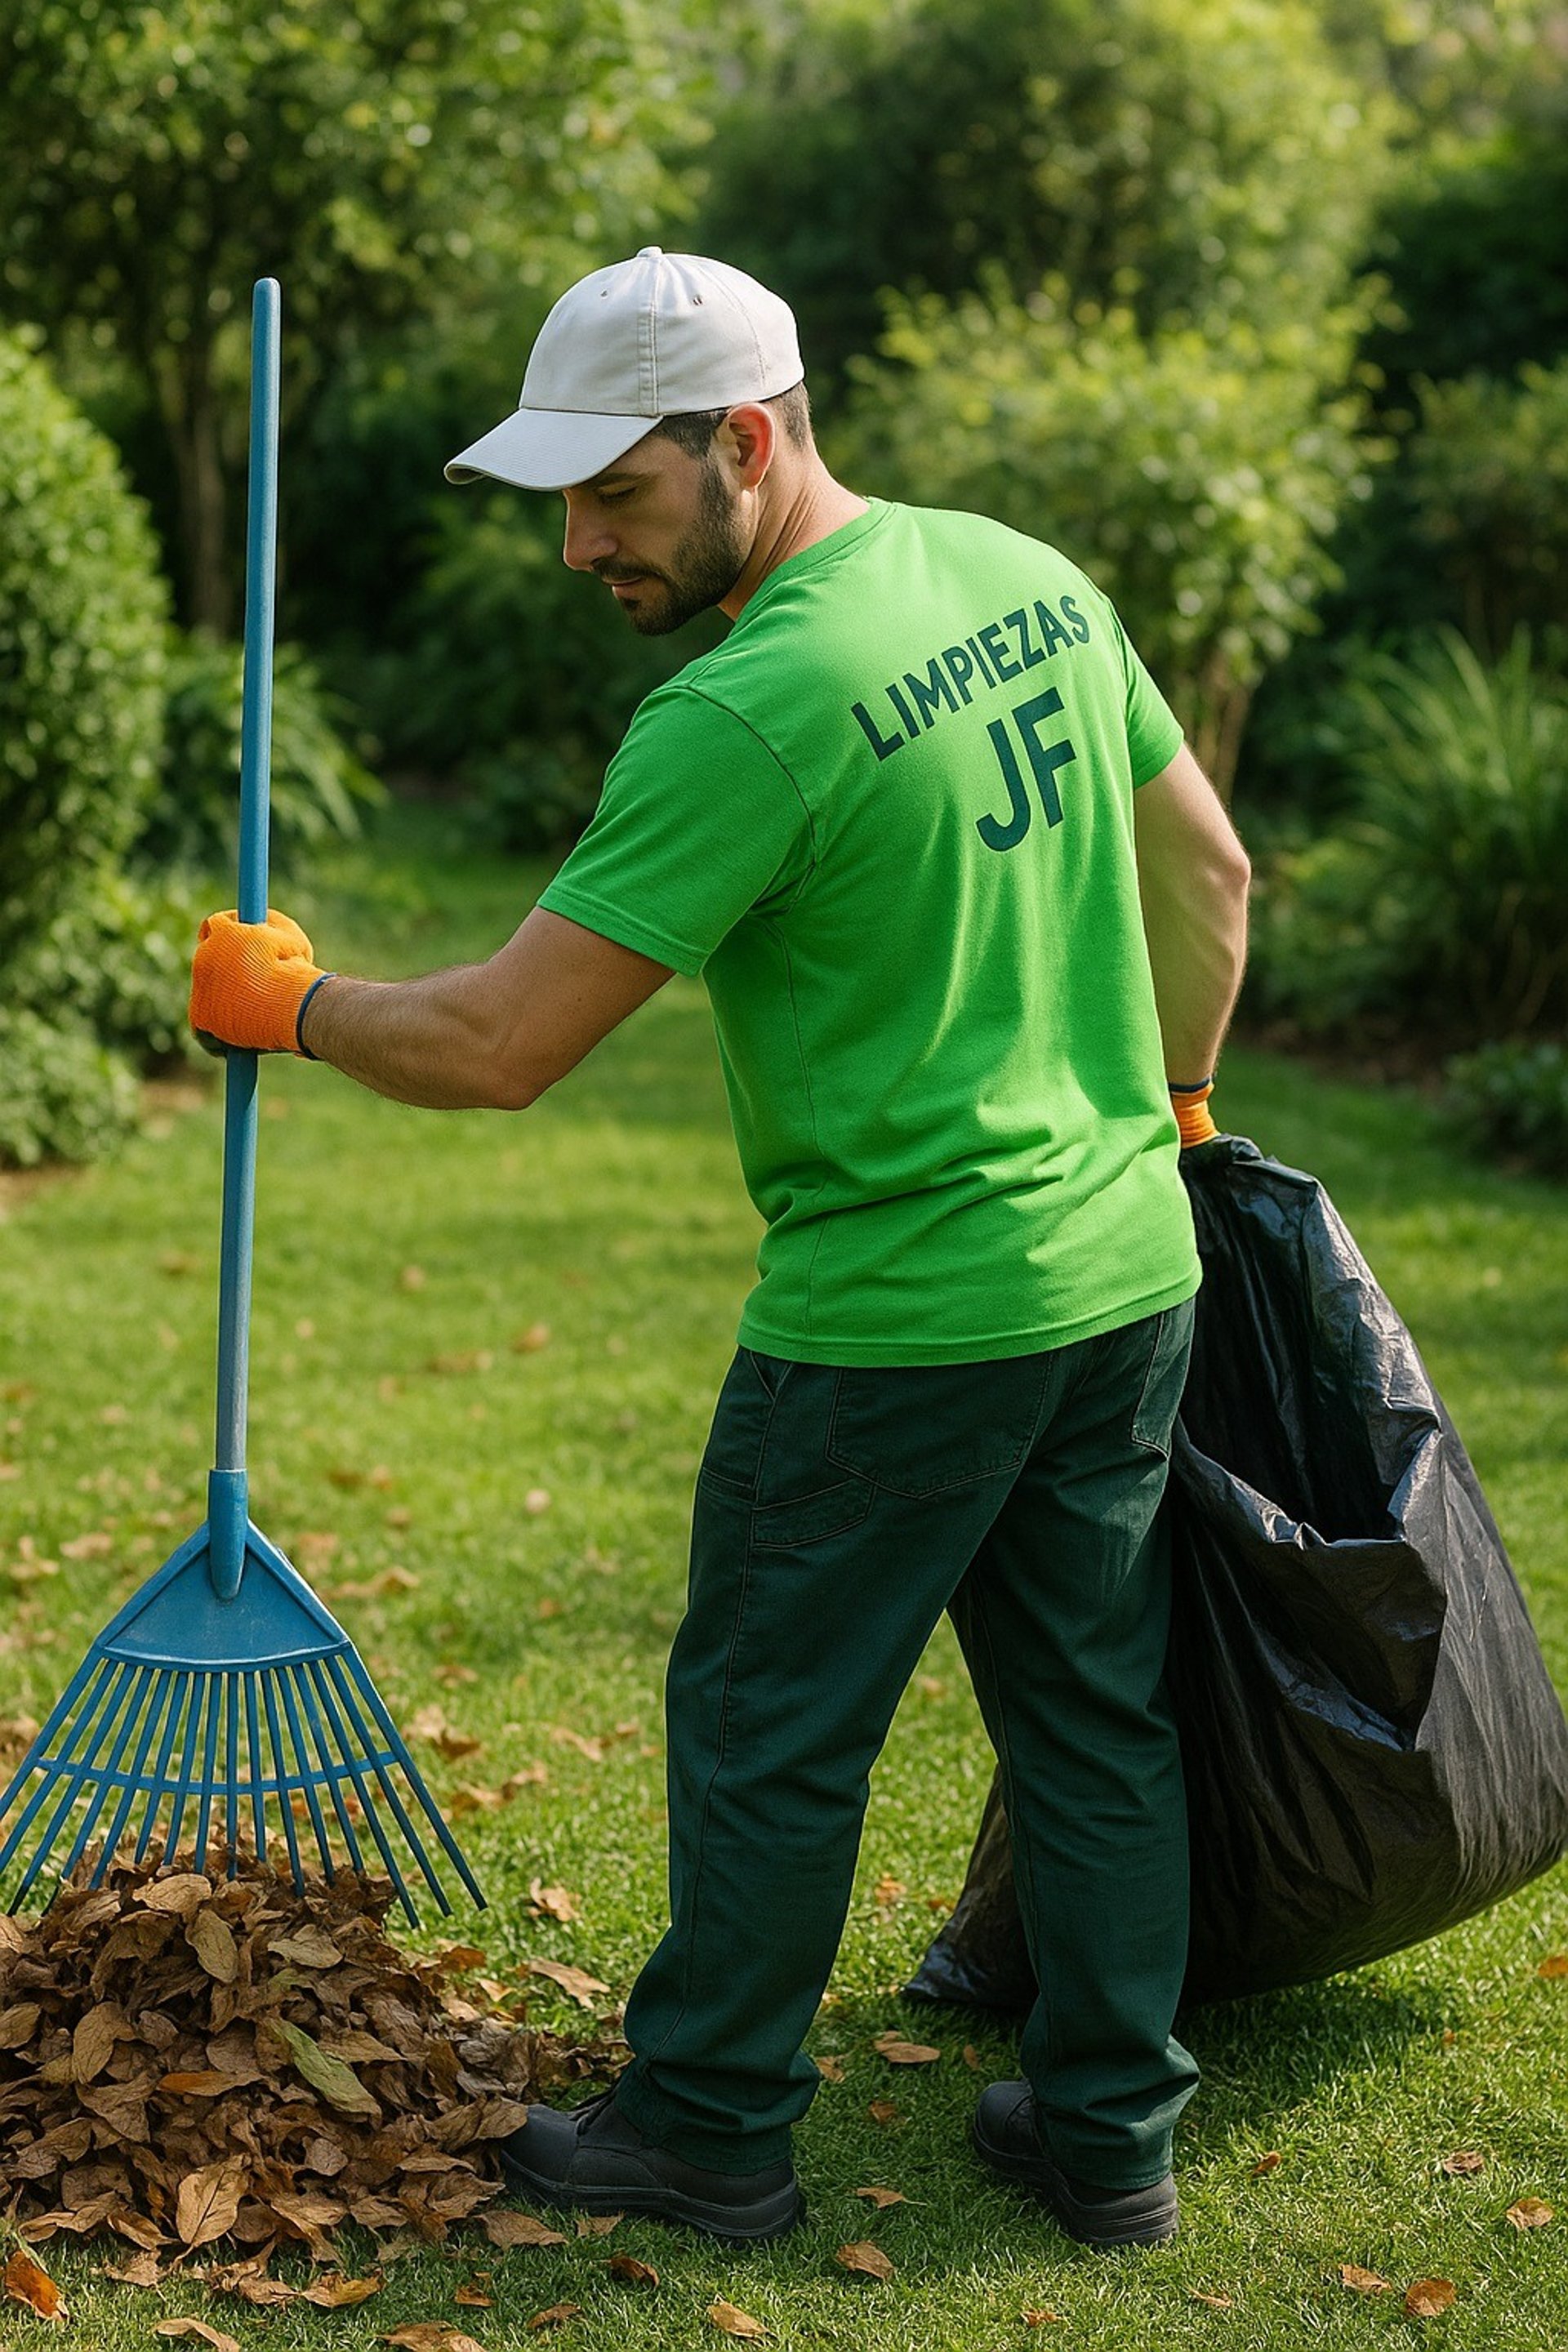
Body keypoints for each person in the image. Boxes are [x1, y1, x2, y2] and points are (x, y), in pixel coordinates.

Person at [189, 247, 1251, 2252]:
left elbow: (505, 1045)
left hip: (896, 1327)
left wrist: (294, 1007)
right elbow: (1208, 866)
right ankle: (1113, 2136)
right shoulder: (1020, 572)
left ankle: (705, 2129)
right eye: (560, 500)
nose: (579, 545)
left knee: (771, 1728)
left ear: (742, 441)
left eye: (615, 493)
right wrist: (1173, 1108)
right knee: (1094, 1714)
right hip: (1122, 1273)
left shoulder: (747, 710)